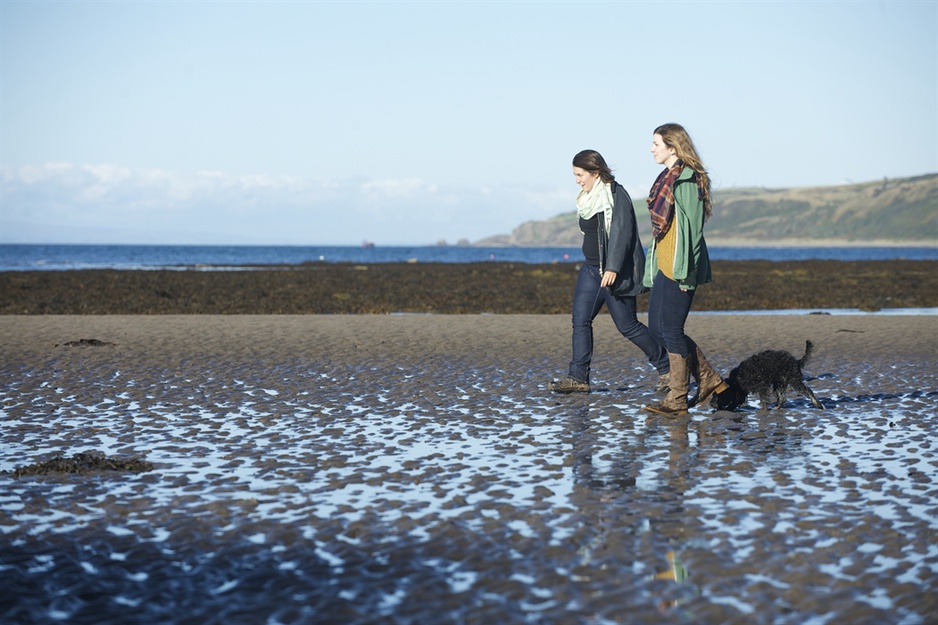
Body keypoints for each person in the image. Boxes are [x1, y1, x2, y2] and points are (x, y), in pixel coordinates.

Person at [549, 149, 669, 394]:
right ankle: (578, 378)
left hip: (614, 272)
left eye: (580, 174)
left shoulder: (616, 195)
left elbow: (622, 232)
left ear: (594, 172)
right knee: (580, 321)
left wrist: (613, 267)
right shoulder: (586, 197)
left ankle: (667, 368)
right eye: (575, 174)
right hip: (591, 270)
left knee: (628, 326)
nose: (577, 180)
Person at [642, 123, 728, 415]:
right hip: (663, 264)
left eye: (656, 143)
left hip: (680, 267)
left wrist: (686, 274)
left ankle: (677, 400)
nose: (651, 149)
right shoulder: (667, 177)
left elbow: (692, 230)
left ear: (673, 147)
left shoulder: (688, 180)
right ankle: (709, 379)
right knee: (657, 328)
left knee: (672, 330)